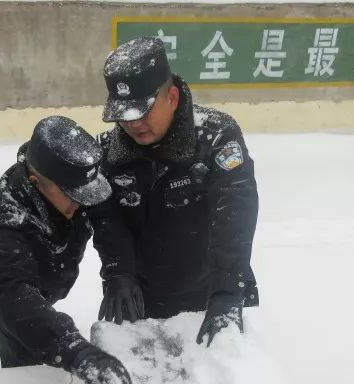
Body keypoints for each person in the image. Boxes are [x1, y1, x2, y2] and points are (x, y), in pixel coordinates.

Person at [0, 116, 140, 384]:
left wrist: (119, 271)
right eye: (74, 196)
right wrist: (74, 349)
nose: (82, 202)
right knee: (26, 373)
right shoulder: (6, 216)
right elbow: (11, 291)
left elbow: (105, 219)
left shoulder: (73, 177)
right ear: (35, 182)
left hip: (42, 277)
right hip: (10, 299)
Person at [96, 37, 259, 347]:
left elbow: (236, 208)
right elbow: (107, 219)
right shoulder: (108, 153)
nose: (134, 124)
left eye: (143, 111)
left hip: (211, 286)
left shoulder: (215, 136)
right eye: (124, 115)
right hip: (143, 292)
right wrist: (118, 272)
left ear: (171, 96)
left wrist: (227, 290)